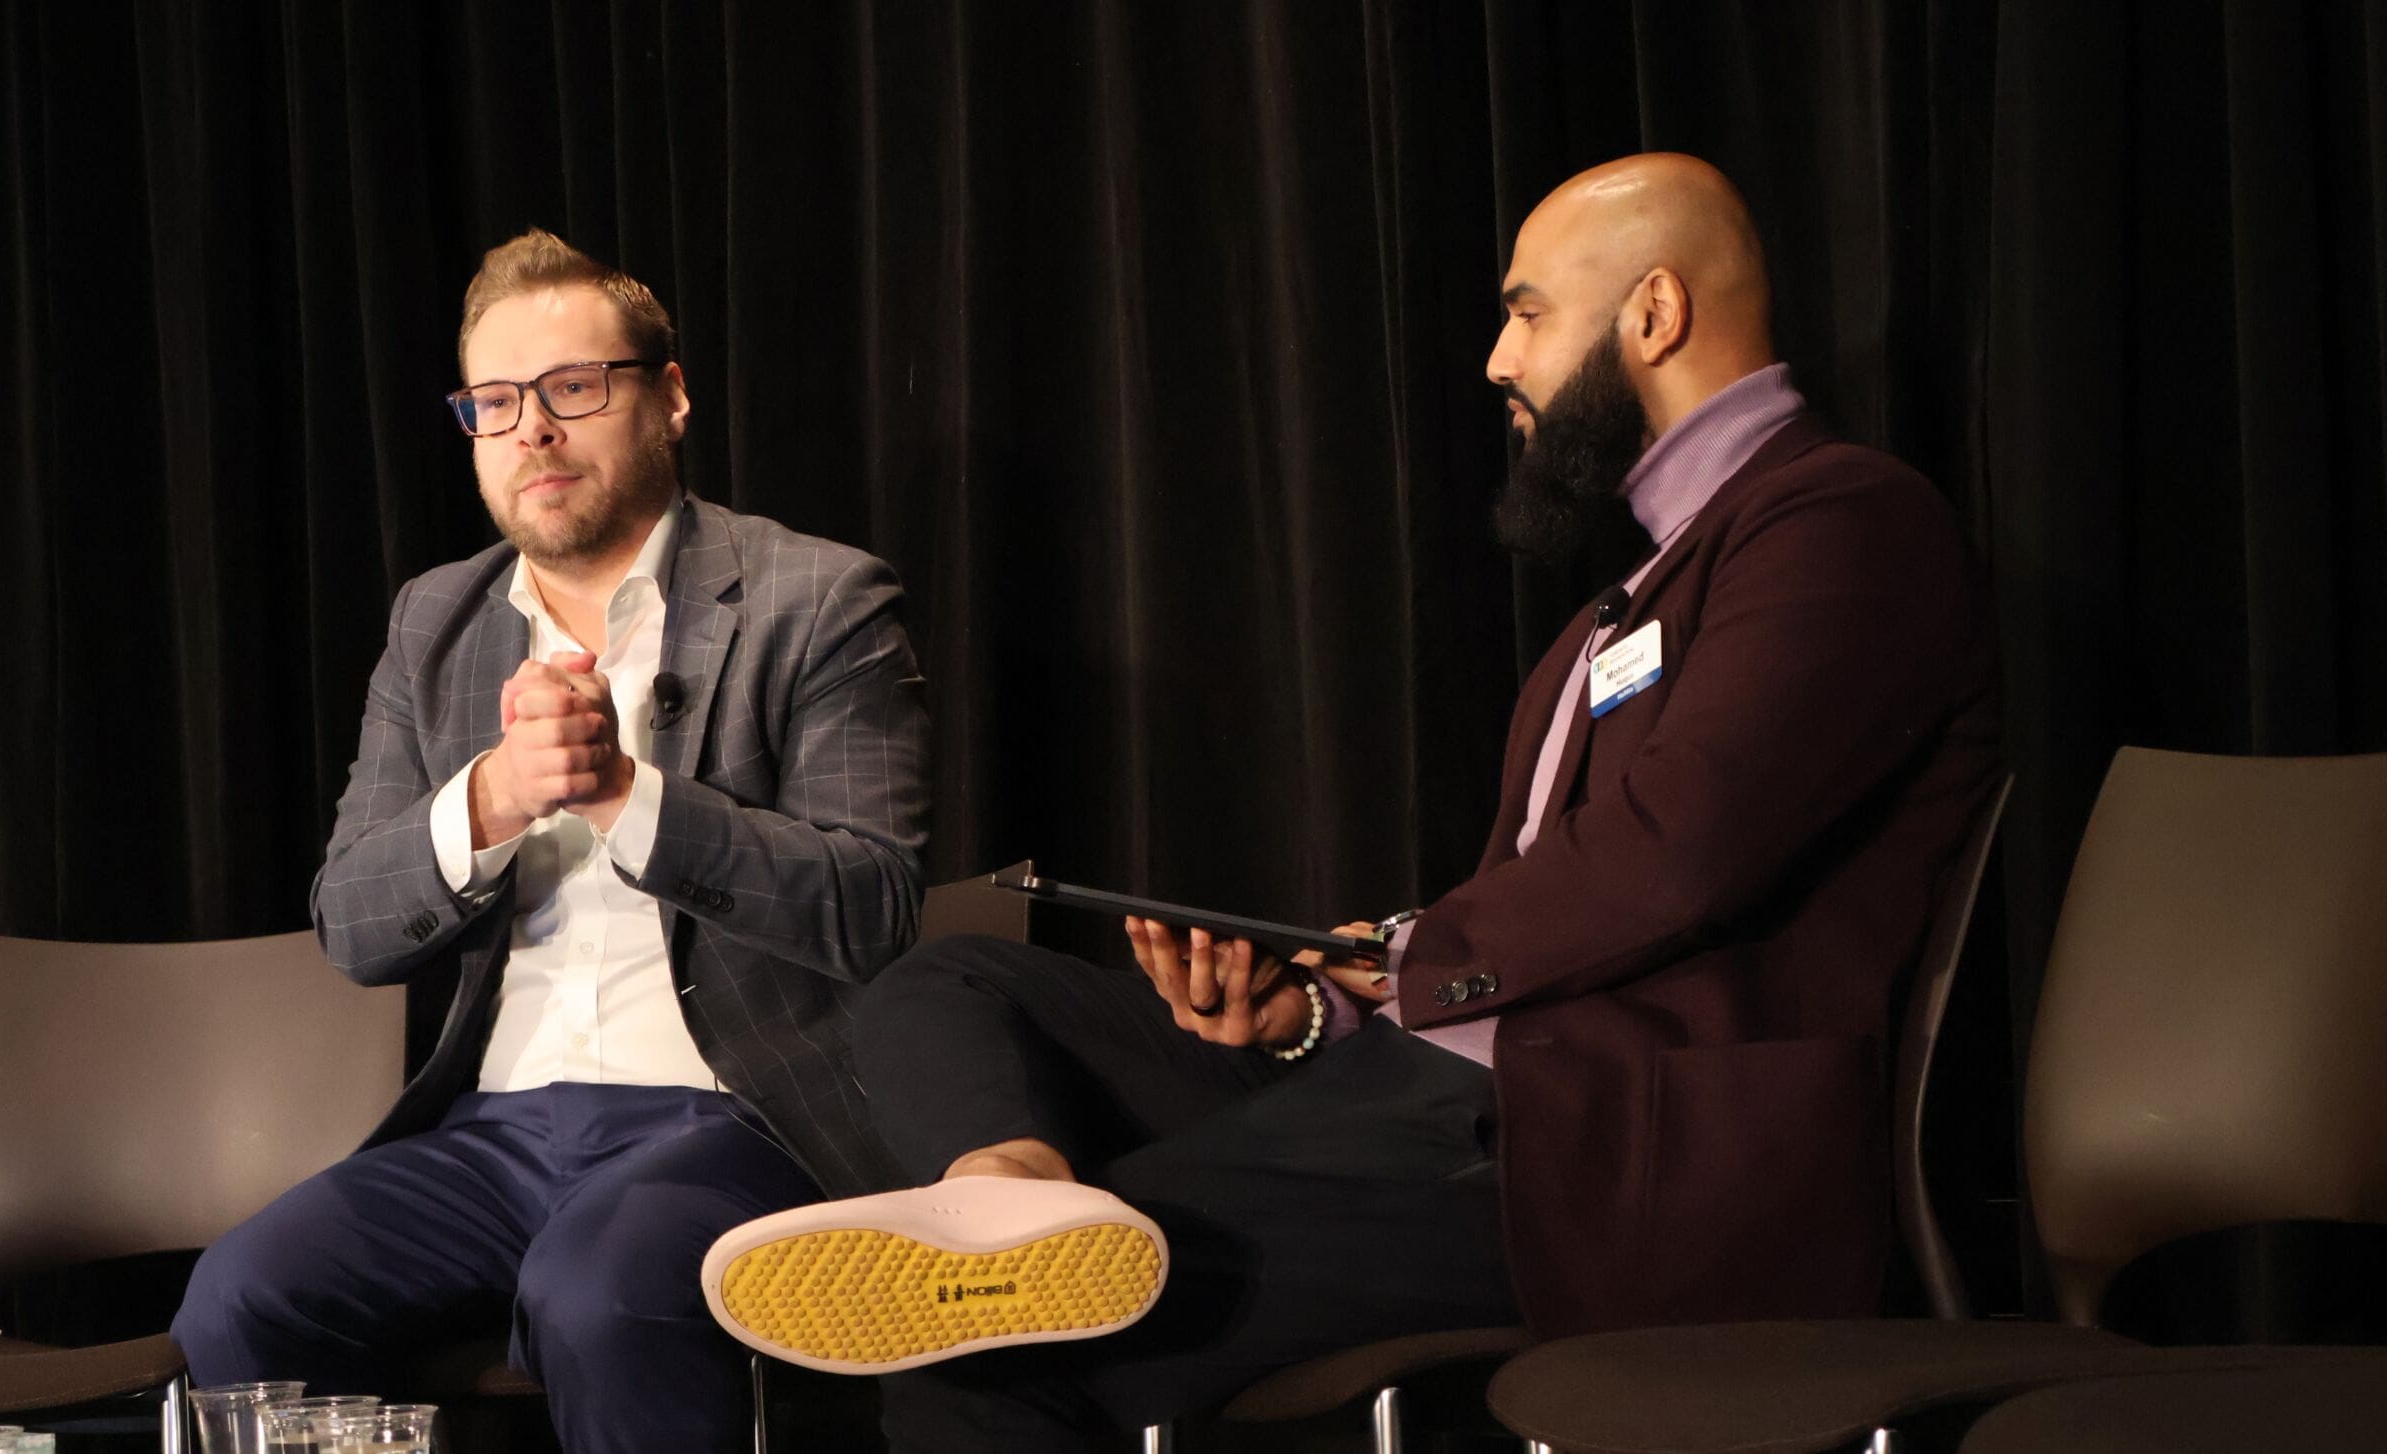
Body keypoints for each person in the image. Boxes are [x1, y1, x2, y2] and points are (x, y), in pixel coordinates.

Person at [698, 153, 2004, 1448]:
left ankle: (1006, 1271)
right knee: (952, 978)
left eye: (1531, 311)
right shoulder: (1630, 602)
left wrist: (1409, 956)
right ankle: (1011, 1190)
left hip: (1581, 1152)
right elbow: (1569, 892)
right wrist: (1315, 1012)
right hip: (1423, 1093)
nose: (1500, 357)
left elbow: (1678, 853)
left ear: (1653, 313)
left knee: (974, 1360)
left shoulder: (1840, 521)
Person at [172, 228, 931, 1454]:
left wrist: (625, 794)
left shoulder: (818, 601)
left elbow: (869, 904)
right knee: (246, 1293)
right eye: (496, 402)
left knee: (600, 1290)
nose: (534, 430)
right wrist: (489, 798)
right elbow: (353, 923)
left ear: (669, 396)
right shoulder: (438, 621)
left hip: (733, 1116)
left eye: (575, 388)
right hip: (496, 1134)